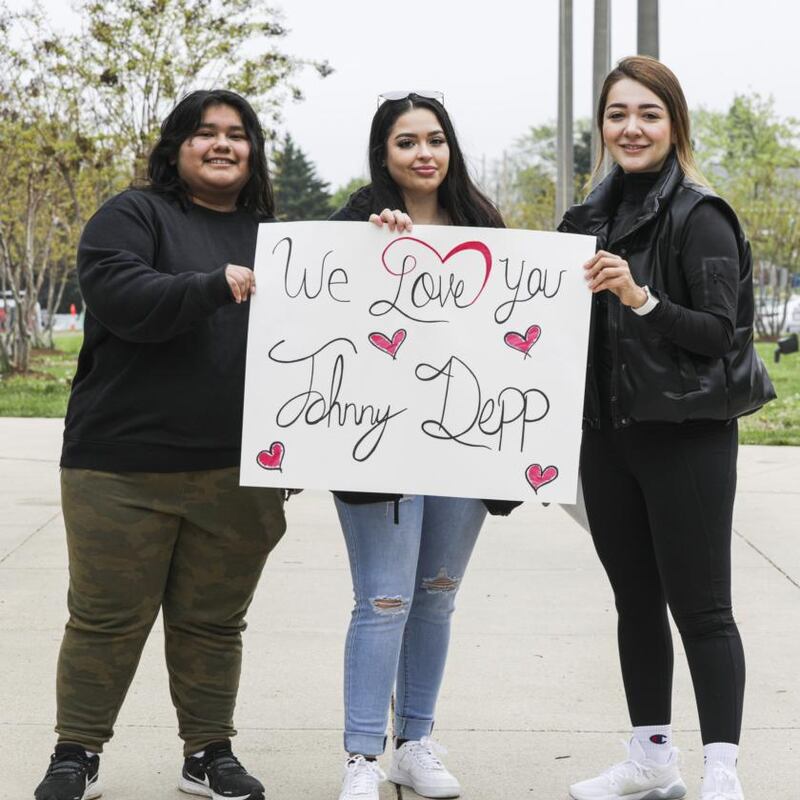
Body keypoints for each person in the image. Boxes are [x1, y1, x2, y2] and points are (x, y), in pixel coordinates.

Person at [34, 89, 285, 800]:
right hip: (119, 466)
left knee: (213, 624)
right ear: (177, 146)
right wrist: (213, 286)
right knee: (105, 621)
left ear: (253, 151)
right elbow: (123, 296)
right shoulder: (132, 213)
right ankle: (74, 754)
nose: (223, 145)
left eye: (238, 134)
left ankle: (208, 752)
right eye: (205, 133)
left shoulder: (276, 239)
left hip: (239, 470)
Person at [559, 57, 775, 800]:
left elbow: (721, 332)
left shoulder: (700, 213)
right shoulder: (584, 218)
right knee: (635, 603)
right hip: (607, 439)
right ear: (603, 127)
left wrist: (641, 297)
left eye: (648, 113)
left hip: (686, 435)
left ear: (674, 123)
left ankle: (722, 769)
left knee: (703, 608)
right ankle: (651, 759)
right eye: (618, 114)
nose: (632, 128)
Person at [328, 90, 517, 800]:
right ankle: (361, 757)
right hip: (378, 439)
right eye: (406, 141)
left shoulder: (484, 225)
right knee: (383, 599)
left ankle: (415, 741)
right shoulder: (357, 222)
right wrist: (371, 245)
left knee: (436, 595)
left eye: (434, 138)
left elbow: (515, 333)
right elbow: (326, 316)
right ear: (384, 153)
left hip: (465, 440)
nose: (424, 153)